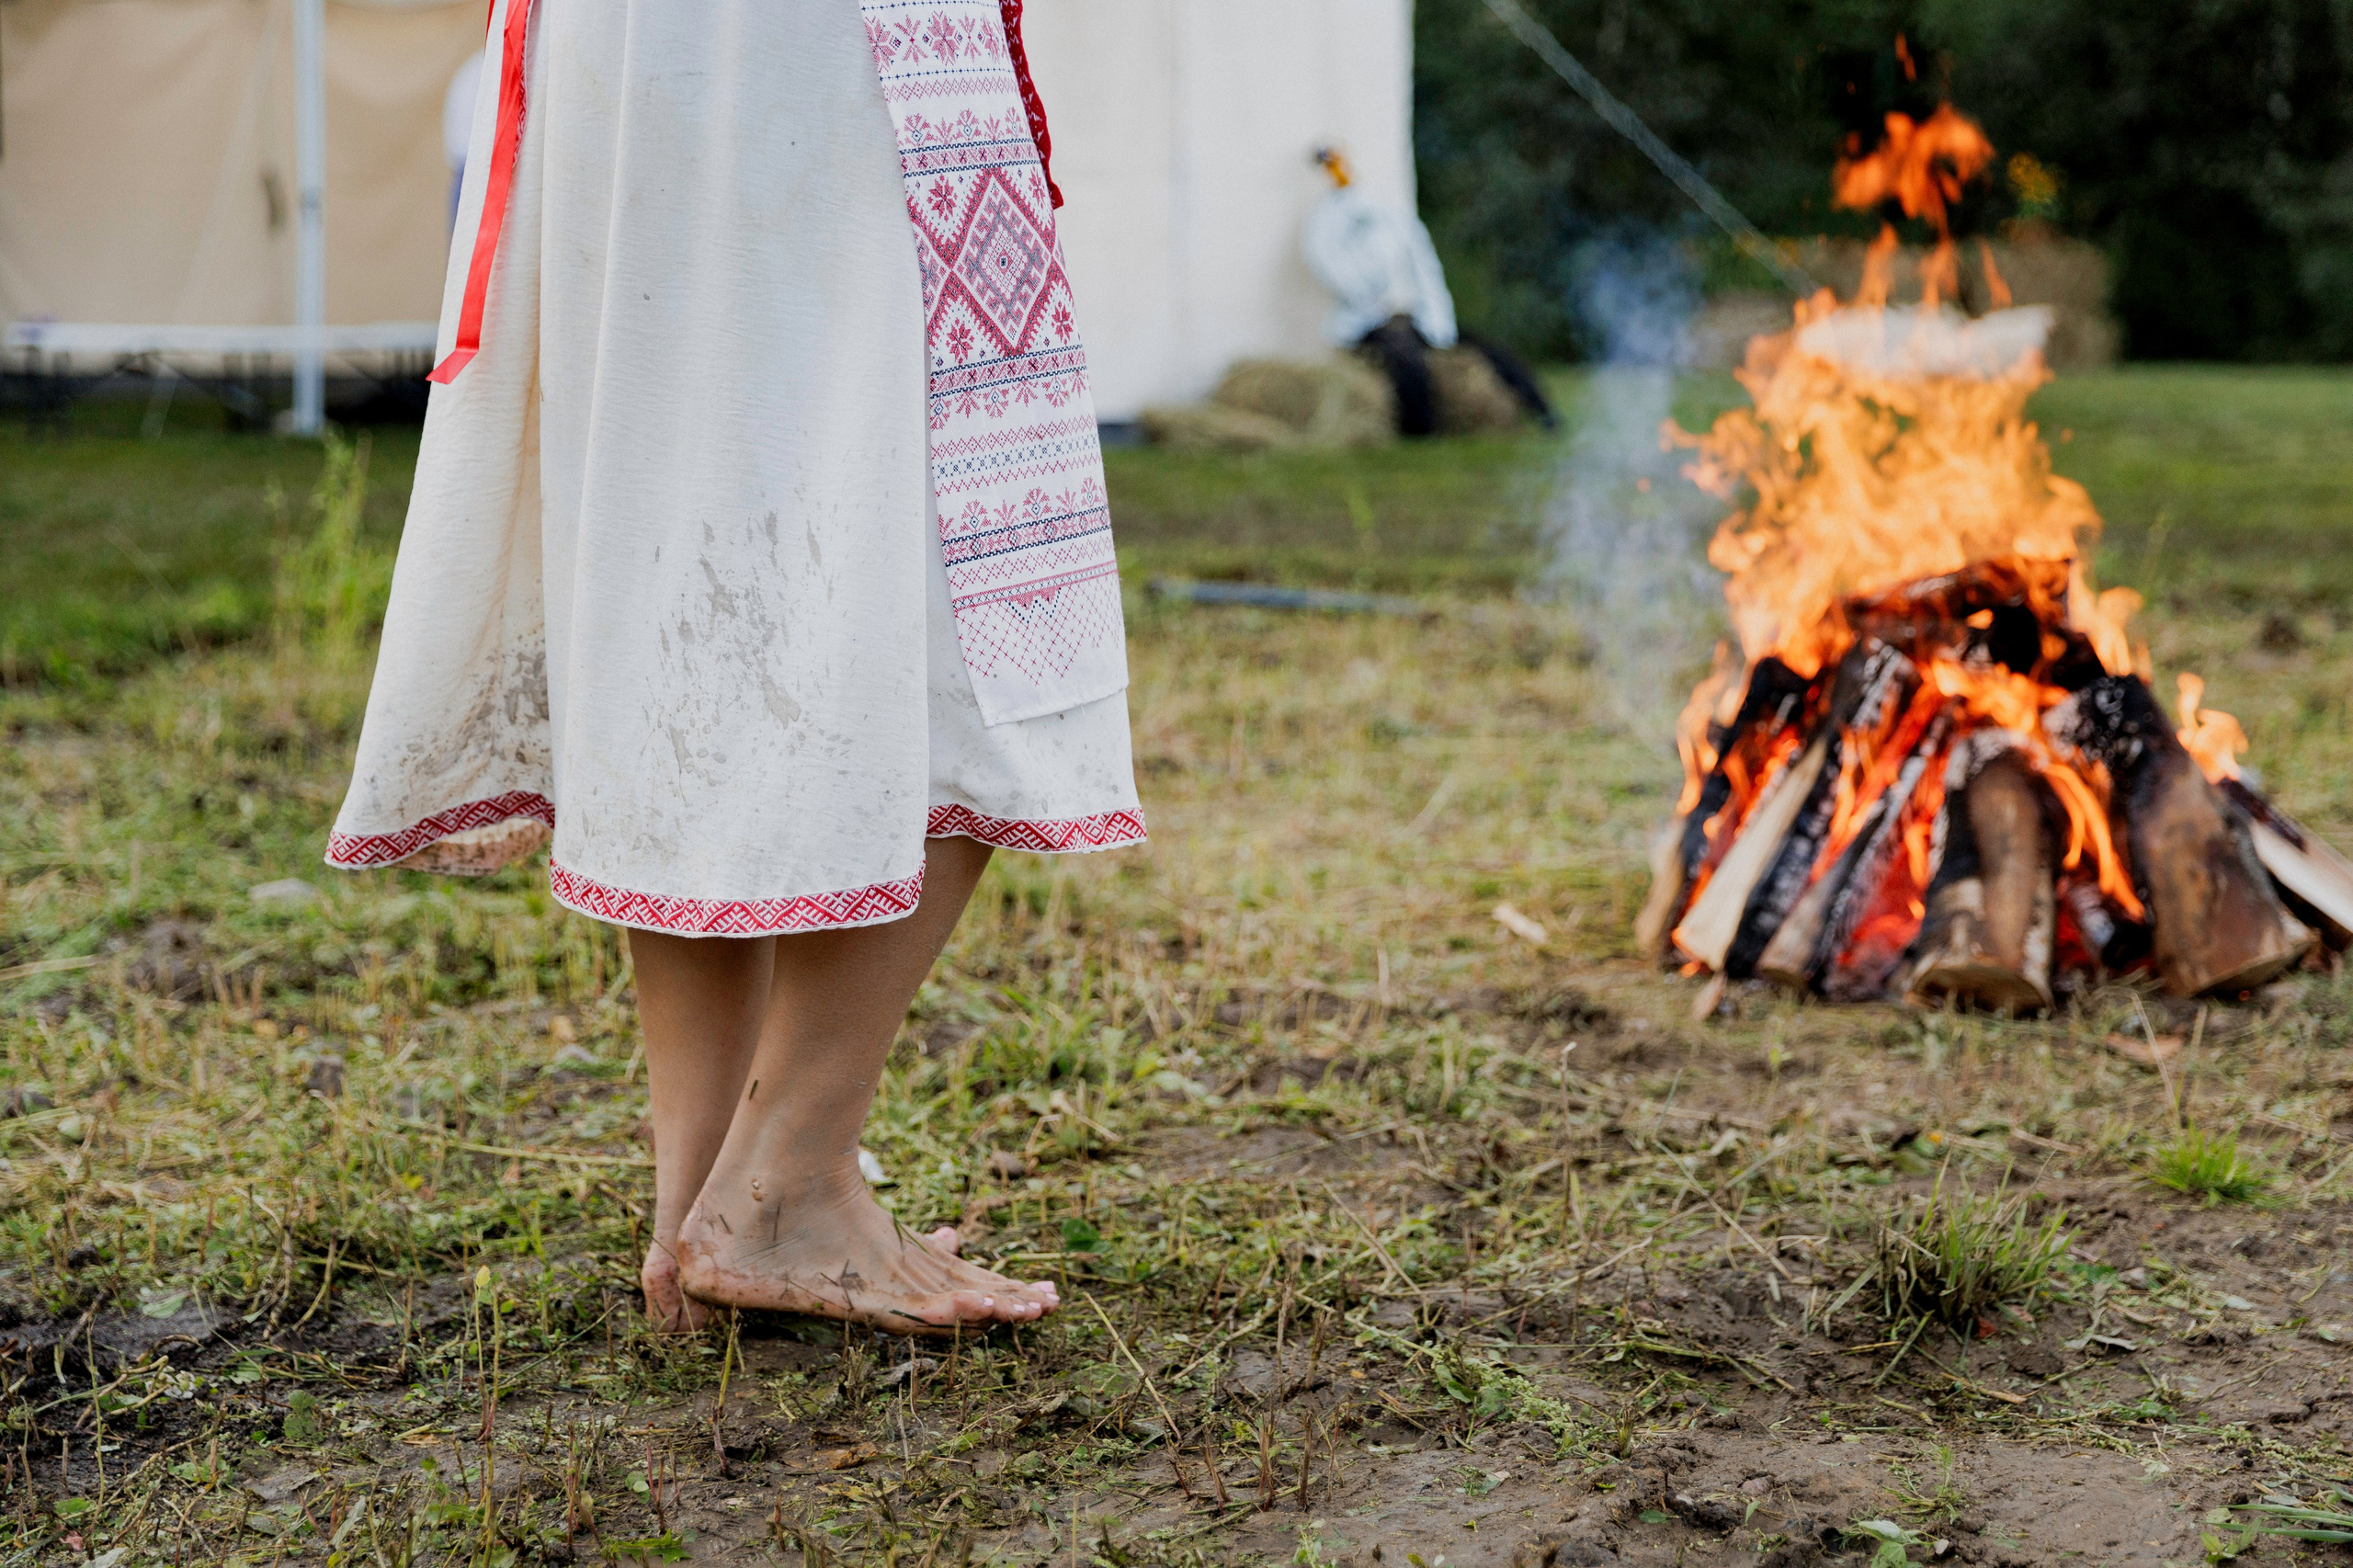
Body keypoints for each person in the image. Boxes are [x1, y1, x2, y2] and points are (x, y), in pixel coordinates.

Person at [325, 0, 1143, 1337]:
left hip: (640, 51)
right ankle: (787, 1178)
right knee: (966, 585)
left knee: (692, 548)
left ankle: (703, 1200)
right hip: (824, 46)